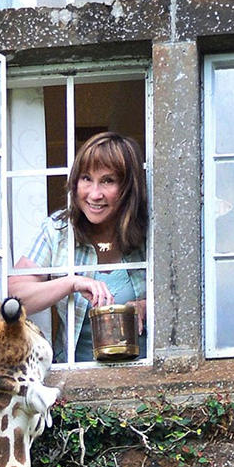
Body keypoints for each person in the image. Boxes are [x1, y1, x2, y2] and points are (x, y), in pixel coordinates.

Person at [8, 132, 148, 362]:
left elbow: (188, 296)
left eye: (108, 180)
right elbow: (14, 296)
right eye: (86, 178)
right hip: (74, 376)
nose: (94, 194)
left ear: (127, 188)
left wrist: (148, 305)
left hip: (143, 376)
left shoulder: (150, 232)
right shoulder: (57, 231)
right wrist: (71, 283)